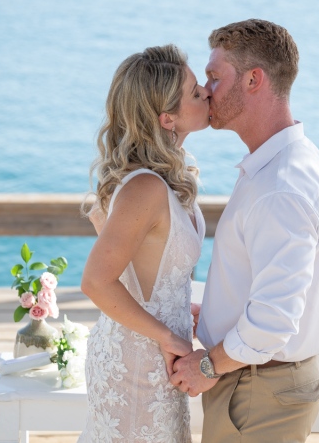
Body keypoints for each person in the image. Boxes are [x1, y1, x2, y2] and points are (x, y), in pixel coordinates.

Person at [170, 19, 319, 443]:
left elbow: (273, 320)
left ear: (253, 79)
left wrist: (207, 365)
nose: (206, 91)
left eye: (214, 77)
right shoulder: (287, 160)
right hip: (258, 383)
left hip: (258, 391)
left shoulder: (278, 187)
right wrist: (215, 309)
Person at [78, 44, 211, 443]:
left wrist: (173, 304)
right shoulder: (147, 187)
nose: (207, 91)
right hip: (137, 363)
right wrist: (167, 334)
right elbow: (96, 282)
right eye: (194, 92)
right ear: (166, 117)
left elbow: (146, 266)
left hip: (158, 356)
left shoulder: (165, 175)